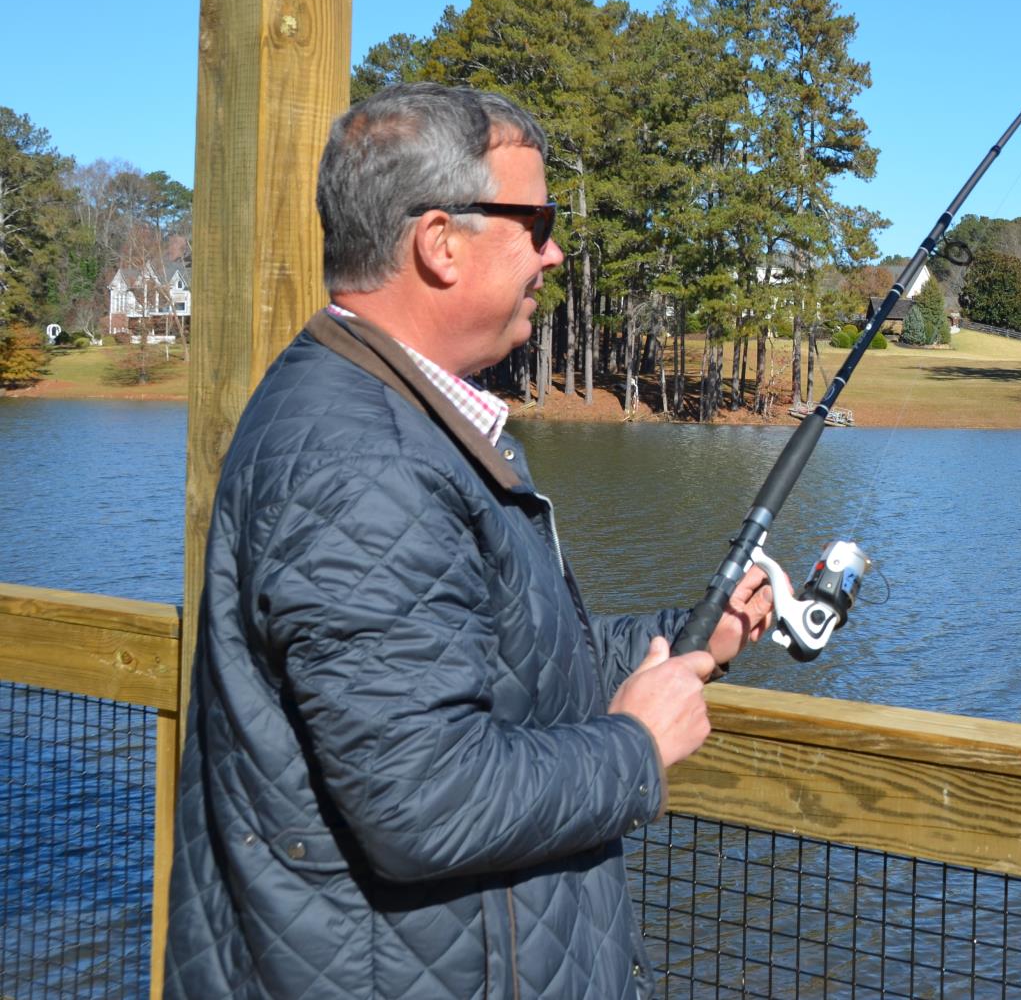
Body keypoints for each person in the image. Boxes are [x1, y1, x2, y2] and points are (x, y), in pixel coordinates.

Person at [165, 83, 773, 998]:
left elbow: (501, 664)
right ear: (440, 243)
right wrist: (636, 748)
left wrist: (697, 634)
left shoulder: (397, 420)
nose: (555, 250)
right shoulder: (361, 461)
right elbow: (425, 798)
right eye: (537, 220)